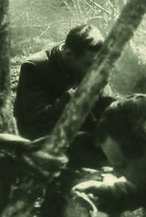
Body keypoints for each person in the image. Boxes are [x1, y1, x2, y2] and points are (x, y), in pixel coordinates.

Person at [13, 24, 114, 168]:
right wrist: (77, 96)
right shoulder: (35, 68)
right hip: (41, 140)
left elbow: (106, 104)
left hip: (77, 132)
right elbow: (35, 120)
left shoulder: (89, 61)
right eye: (88, 64)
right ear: (68, 55)